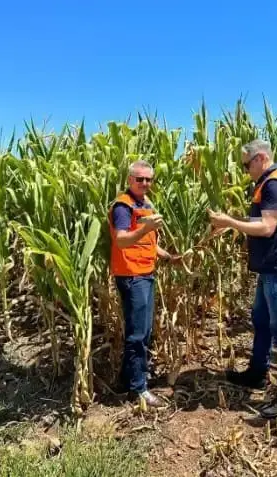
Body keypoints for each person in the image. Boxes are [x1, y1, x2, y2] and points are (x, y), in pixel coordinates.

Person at [208, 139, 277, 419]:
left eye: (246, 164)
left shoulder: (274, 183)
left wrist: (230, 222)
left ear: (261, 158)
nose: (245, 170)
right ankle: (257, 372)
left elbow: (267, 228)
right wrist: (231, 222)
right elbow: (266, 218)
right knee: (261, 319)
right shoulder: (271, 182)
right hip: (272, 265)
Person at [108, 160, 180, 407]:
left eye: (149, 179)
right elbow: (122, 240)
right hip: (131, 276)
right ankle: (139, 389)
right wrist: (143, 228)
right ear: (130, 180)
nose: (145, 183)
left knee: (145, 330)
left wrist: (169, 256)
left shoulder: (145, 204)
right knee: (138, 333)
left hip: (146, 272)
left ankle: (127, 379)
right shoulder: (123, 206)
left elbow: (148, 242)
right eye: (140, 179)